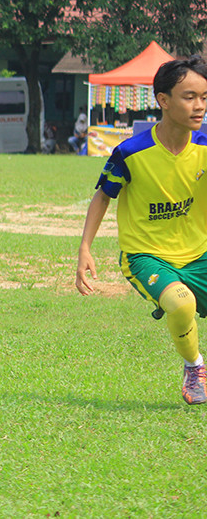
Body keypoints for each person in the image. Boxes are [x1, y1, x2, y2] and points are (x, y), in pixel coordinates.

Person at [76, 55, 207, 405]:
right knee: (181, 304)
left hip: (199, 253)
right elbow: (103, 197)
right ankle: (194, 367)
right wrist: (85, 248)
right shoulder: (131, 152)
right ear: (164, 100)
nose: (199, 106)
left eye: (204, 97)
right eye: (189, 97)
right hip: (145, 256)